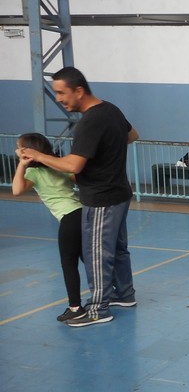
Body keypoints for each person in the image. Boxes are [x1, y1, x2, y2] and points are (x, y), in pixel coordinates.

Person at [18, 66, 138, 327]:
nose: (59, 99)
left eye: (62, 93)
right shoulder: (111, 110)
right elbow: (132, 135)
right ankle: (124, 294)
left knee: (97, 254)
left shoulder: (89, 122)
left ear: (79, 91)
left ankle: (98, 310)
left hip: (101, 198)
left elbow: (73, 165)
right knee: (118, 249)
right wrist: (107, 151)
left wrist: (38, 156)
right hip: (120, 192)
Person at [12, 132, 85, 322]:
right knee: (88, 259)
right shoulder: (58, 165)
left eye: (19, 148)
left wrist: (21, 164)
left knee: (68, 263)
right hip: (82, 214)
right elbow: (79, 179)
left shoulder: (33, 173)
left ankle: (76, 308)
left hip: (69, 218)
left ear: (28, 151)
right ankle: (108, 295)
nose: (17, 151)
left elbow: (16, 190)